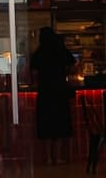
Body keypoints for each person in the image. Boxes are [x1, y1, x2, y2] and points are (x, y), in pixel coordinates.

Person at [32, 26, 78, 154]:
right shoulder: (60, 49)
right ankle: (58, 156)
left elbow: (32, 72)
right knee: (59, 125)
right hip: (60, 91)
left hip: (44, 92)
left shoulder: (39, 52)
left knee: (46, 125)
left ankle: (47, 157)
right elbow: (73, 66)